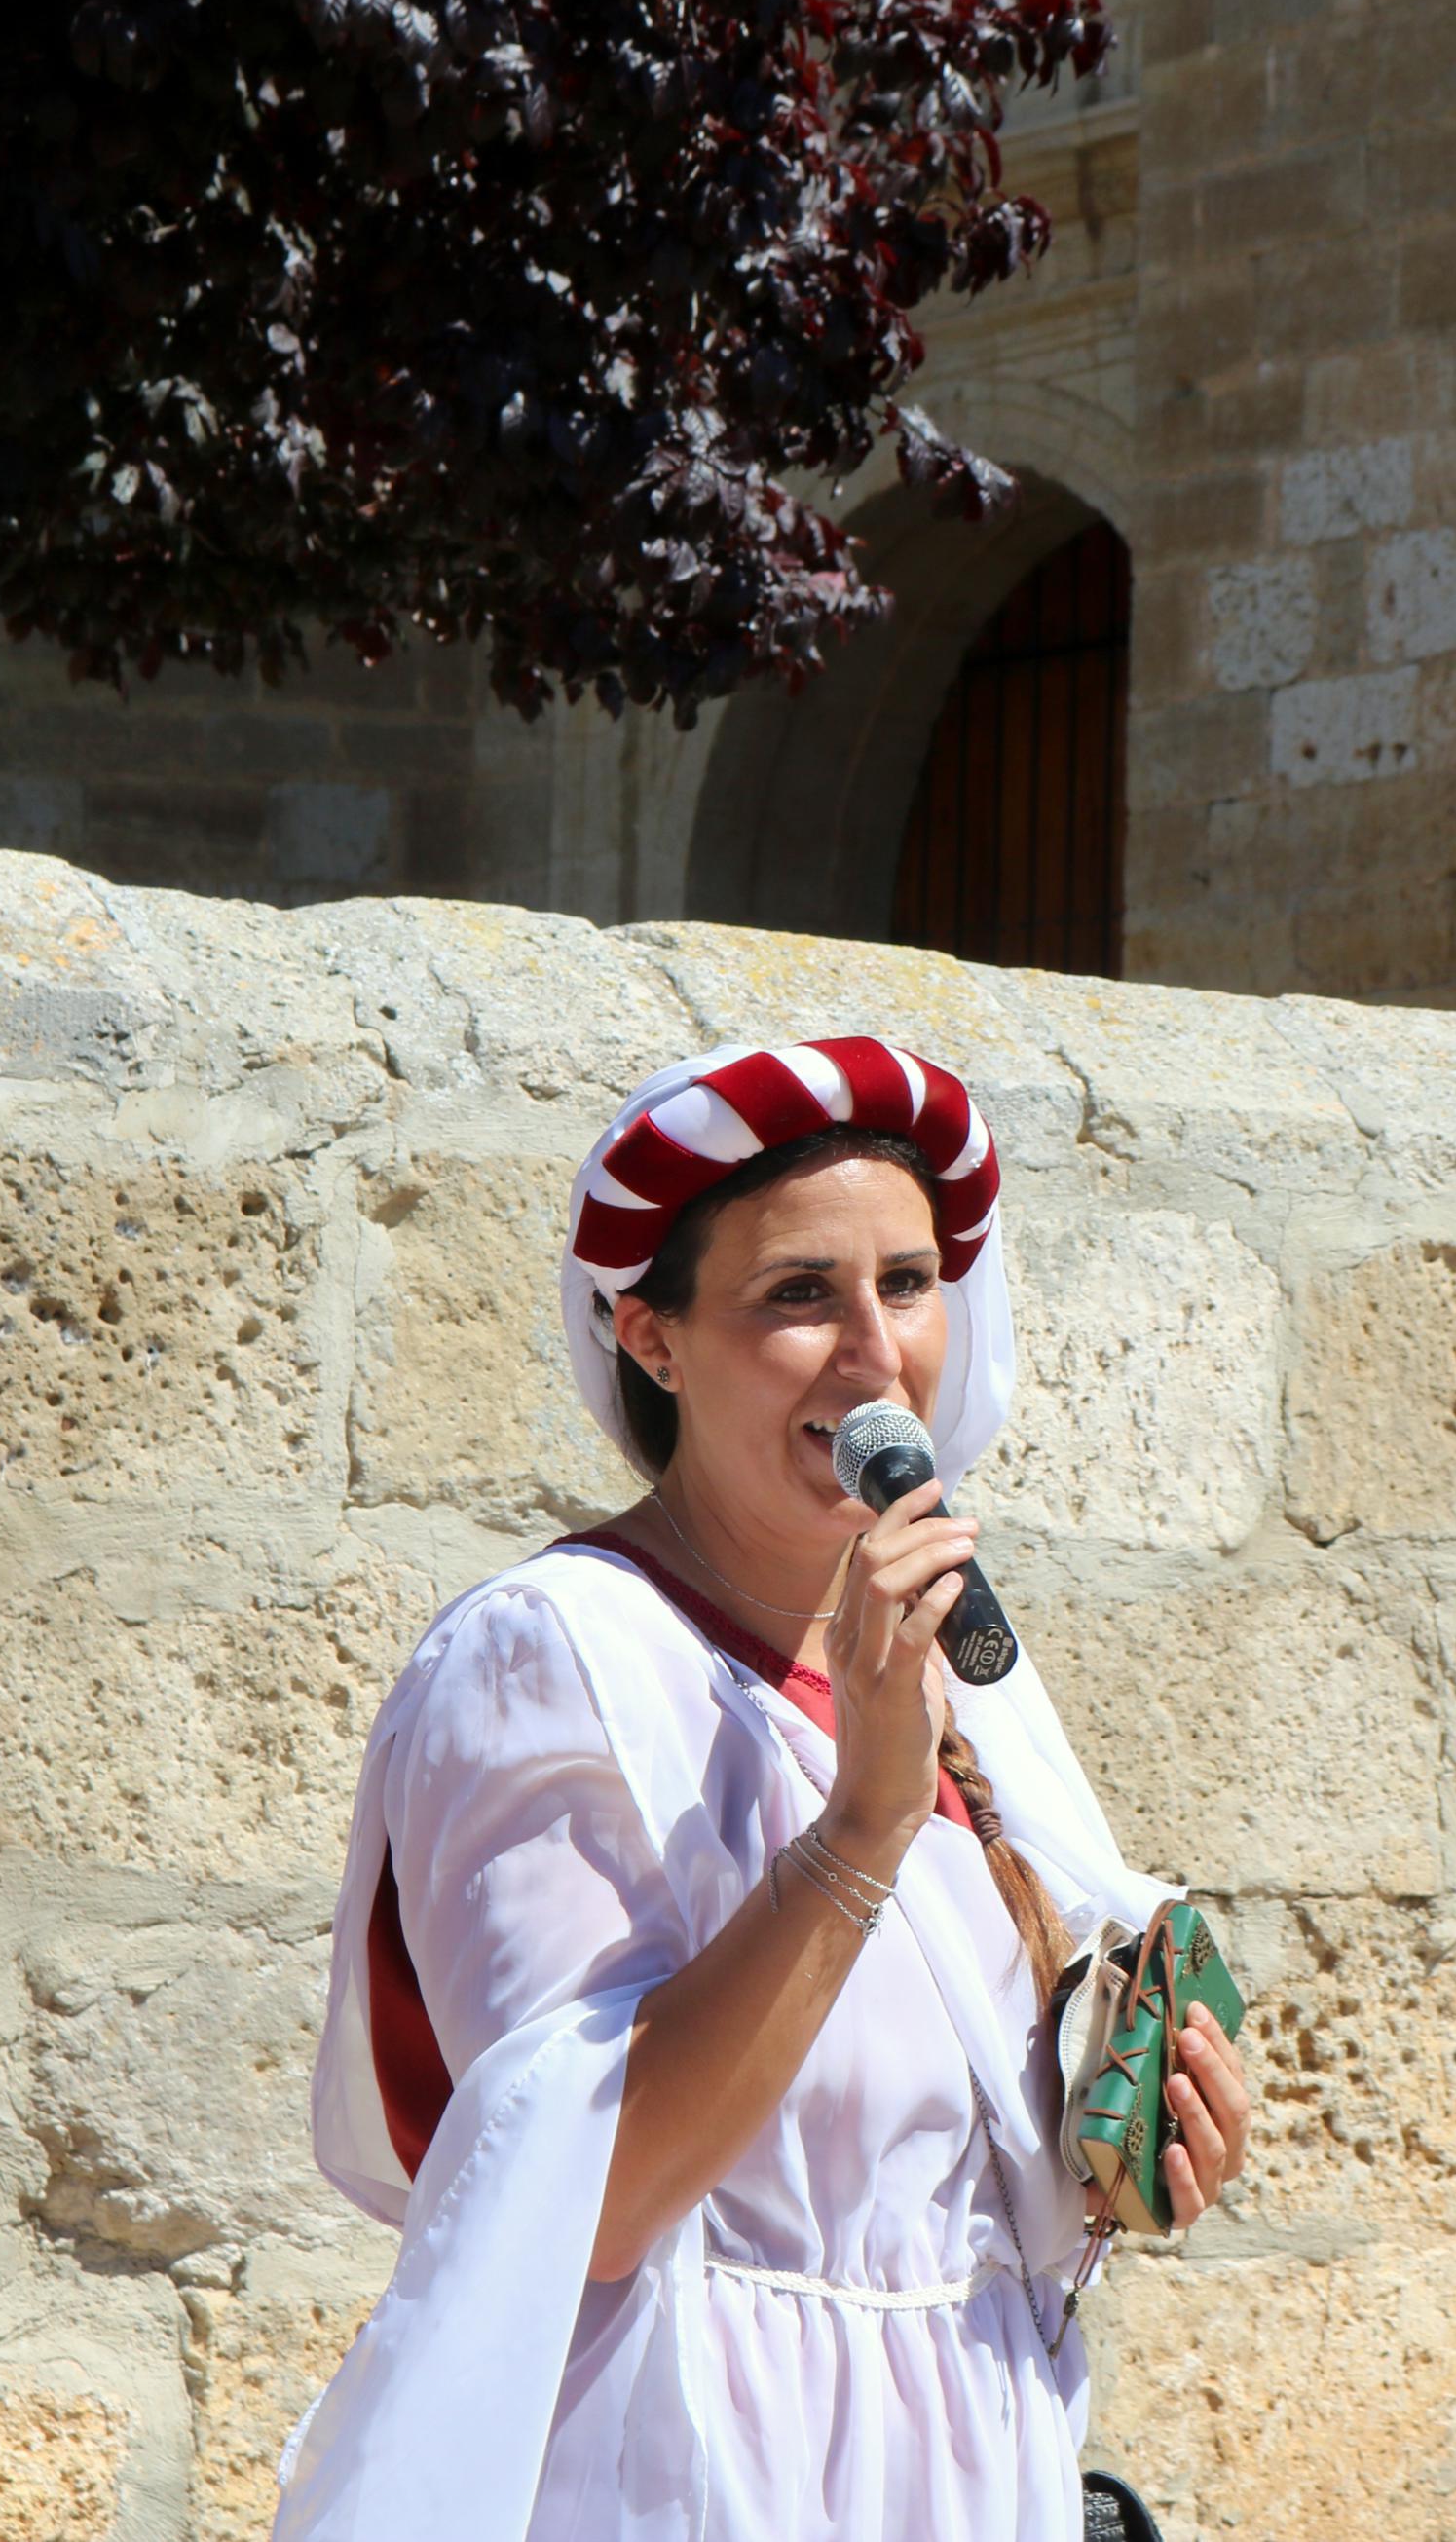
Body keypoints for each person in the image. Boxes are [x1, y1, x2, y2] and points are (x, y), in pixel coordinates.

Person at [273, 1034, 1254, 2542]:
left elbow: (952, 2155)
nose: (876, 1355)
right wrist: (861, 1824)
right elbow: (587, 2198)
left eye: (909, 1286)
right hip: (699, 2484)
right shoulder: (547, 1662)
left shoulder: (965, 1670)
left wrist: (1142, 2135)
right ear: (651, 1337)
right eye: (801, 1295)